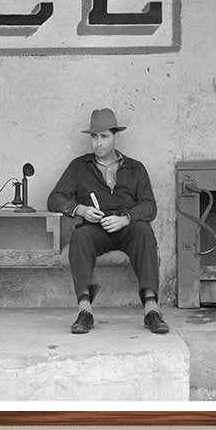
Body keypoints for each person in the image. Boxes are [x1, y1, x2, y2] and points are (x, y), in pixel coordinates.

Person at [46, 108, 170, 335]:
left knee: (144, 231)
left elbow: (149, 206)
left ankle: (151, 310)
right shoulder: (79, 167)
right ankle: (85, 311)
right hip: (96, 229)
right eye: (94, 137)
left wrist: (126, 219)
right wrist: (80, 209)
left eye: (104, 136)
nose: (98, 143)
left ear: (115, 137)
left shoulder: (135, 168)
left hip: (128, 227)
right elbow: (55, 199)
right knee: (80, 236)